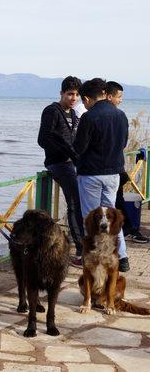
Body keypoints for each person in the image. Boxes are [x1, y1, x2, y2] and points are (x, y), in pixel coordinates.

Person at [73, 78, 130, 272]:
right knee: (112, 215)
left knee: (91, 218)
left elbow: (79, 147)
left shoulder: (89, 117)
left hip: (91, 174)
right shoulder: (121, 115)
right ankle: (122, 256)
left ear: (87, 98)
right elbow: (123, 143)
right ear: (105, 94)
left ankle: (93, 255)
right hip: (114, 173)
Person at [37, 76, 84, 267]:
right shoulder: (51, 111)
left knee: (80, 201)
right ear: (62, 93)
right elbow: (43, 139)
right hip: (58, 163)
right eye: (70, 94)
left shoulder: (73, 114)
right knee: (74, 201)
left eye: (77, 95)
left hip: (72, 163)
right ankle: (81, 249)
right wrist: (64, 153)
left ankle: (79, 242)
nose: (74, 98)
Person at [106, 81, 150, 243]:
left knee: (116, 200)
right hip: (113, 167)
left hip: (109, 168)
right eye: (119, 97)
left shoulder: (106, 115)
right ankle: (128, 231)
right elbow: (122, 143)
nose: (121, 100)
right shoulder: (119, 116)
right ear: (109, 96)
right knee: (117, 200)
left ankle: (126, 231)